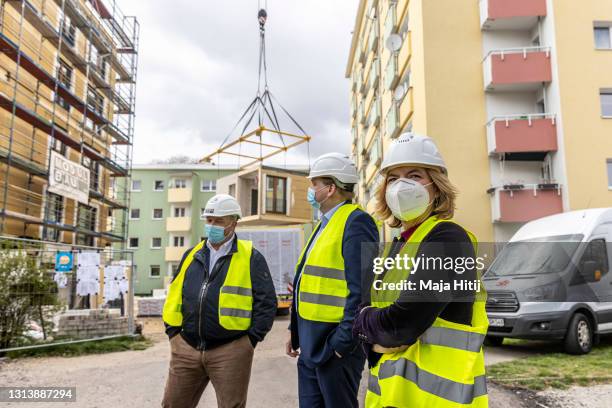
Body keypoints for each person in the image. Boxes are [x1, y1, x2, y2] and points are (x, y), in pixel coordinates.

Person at [353, 133, 489, 408]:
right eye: (393, 178)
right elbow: (364, 311)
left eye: (414, 176)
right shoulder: (397, 247)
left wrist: (377, 329)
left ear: (436, 187)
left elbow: (402, 324)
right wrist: (373, 330)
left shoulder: (449, 240)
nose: (401, 185)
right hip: (391, 397)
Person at [162, 194, 277, 408]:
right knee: (172, 404)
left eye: (219, 221)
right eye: (209, 221)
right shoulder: (191, 255)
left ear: (233, 222)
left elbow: (266, 303)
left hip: (230, 350)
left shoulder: (251, 257)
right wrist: (173, 333)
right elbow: (176, 293)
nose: (212, 226)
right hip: (186, 347)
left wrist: (249, 341)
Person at [286, 152, 380, 407]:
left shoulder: (357, 222)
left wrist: (341, 345)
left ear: (330, 188)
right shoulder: (323, 224)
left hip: (335, 349)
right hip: (311, 345)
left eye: (314, 184)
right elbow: (308, 283)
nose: (310, 189)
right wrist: (295, 333)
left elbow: (362, 291)